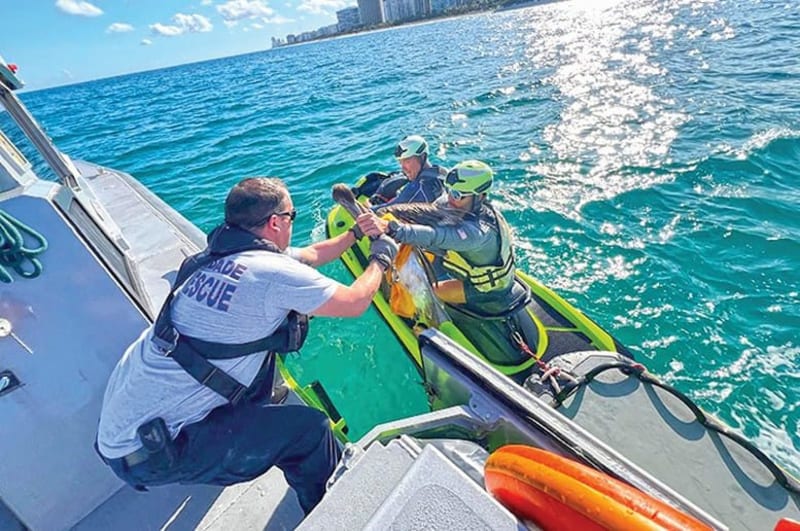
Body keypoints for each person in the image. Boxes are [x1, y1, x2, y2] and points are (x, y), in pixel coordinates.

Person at [96, 177, 397, 515]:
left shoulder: (216, 259)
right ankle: (332, 515)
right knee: (311, 432)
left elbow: (312, 255)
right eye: (292, 216)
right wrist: (380, 260)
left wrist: (355, 233)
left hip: (122, 435)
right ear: (275, 222)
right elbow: (354, 302)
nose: (292, 223)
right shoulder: (270, 273)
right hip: (153, 453)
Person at [357, 160, 515, 315]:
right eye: (449, 190)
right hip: (480, 266)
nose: (450, 198)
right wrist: (386, 212)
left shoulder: (477, 234)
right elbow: (429, 211)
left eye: (457, 195)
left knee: (425, 292)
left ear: (480, 196)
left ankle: (436, 320)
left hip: (486, 289)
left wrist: (391, 228)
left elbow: (435, 236)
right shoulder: (465, 205)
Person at [369, 134, 447, 207]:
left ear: (423, 156)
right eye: (400, 162)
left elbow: (382, 210)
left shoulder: (419, 188)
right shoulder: (441, 171)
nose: (403, 168)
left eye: (407, 161)